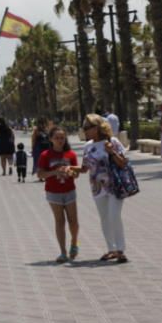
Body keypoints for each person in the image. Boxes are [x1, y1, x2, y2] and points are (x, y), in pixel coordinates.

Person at [80, 113, 130, 264]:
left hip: (114, 185)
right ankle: (111, 249)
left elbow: (123, 163)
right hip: (97, 187)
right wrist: (70, 169)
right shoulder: (87, 146)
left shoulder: (112, 141)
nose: (85, 130)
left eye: (88, 127)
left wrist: (111, 151)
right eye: (84, 127)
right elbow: (84, 168)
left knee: (114, 215)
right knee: (104, 218)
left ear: (98, 127)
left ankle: (120, 249)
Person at [37, 127, 81, 263]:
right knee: (60, 221)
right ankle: (63, 252)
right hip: (53, 192)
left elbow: (77, 174)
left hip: (69, 191)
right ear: (51, 139)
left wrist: (70, 172)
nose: (60, 140)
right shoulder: (45, 155)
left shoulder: (71, 155)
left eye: (62, 138)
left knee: (73, 221)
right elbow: (40, 174)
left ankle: (74, 242)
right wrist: (55, 172)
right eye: (56, 138)